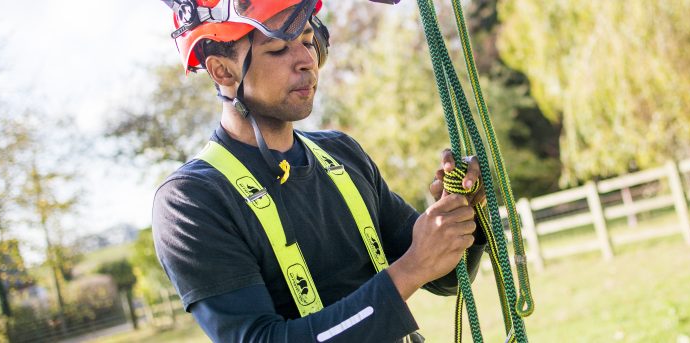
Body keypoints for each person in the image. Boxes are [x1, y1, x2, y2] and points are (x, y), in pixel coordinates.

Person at [152, 1, 487, 341]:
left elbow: (445, 278)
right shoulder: (191, 202)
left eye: (309, 40)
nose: (307, 61)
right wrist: (411, 269)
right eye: (279, 48)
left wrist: (461, 214)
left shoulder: (342, 154)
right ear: (223, 71)